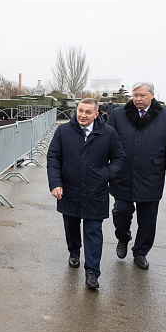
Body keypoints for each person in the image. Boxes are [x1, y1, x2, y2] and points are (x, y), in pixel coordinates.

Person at [47, 98, 125, 289]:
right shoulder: (63, 131)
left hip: (95, 191)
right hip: (70, 189)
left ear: (96, 114)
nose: (82, 115)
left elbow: (119, 158)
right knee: (71, 225)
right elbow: (53, 157)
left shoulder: (108, 133)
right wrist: (55, 183)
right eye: (80, 110)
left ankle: (92, 272)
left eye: (88, 112)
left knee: (93, 232)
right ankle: (74, 251)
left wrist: (106, 174)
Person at [106, 81, 166, 270]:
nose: (138, 99)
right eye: (135, 95)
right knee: (121, 212)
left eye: (142, 95)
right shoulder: (118, 115)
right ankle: (123, 238)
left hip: (151, 175)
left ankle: (140, 252)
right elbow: (106, 142)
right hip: (122, 173)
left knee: (148, 219)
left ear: (152, 95)